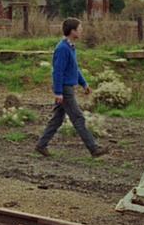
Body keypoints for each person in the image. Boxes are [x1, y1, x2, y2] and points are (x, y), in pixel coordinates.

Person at [35, 17, 108, 158]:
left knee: (57, 119)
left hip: (67, 87)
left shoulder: (69, 47)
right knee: (78, 117)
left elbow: (73, 69)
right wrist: (58, 91)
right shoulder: (62, 48)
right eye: (79, 28)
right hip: (64, 88)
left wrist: (83, 83)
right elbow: (58, 71)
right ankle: (93, 149)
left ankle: (41, 145)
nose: (81, 30)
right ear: (72, 31)